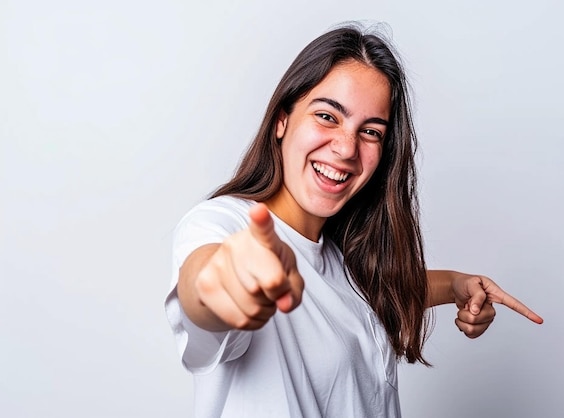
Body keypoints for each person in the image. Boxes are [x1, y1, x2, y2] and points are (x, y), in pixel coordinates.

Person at [165, 23, 543, 417]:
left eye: (371, 132)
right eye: (327, 116)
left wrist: (457, 284)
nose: (346, 148)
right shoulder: (222, 223)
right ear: (282, 120)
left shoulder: (340, 257)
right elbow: (206, 286)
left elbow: (368, 294)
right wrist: (228, 284)